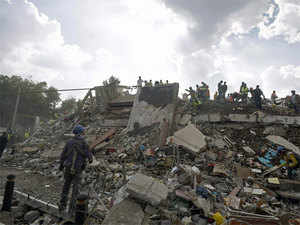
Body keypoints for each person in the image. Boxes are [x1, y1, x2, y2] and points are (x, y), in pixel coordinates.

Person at [59, 125, 93, 216]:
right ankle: (72, 210)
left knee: (66, 187)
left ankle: (62, 206)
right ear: (81, 133)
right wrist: (89, 159)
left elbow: (63, 155)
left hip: (68, 168)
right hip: (78, 169)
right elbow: (89, 156)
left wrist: (61, 165)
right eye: (83, 132)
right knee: (75, 190)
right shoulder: (84, 143)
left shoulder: (69, 142)